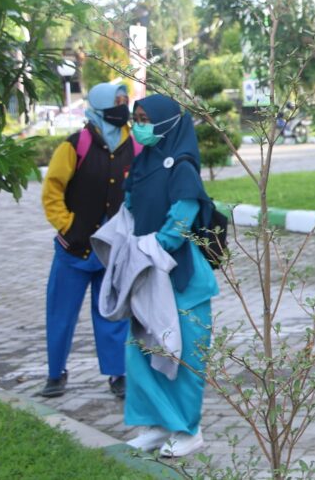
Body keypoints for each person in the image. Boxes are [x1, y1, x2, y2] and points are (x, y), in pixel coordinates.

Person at [121, 95, 219, 458]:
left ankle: (188, 429)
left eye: (146, 119)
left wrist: (156, 246)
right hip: (146, 272)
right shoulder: (143, 161)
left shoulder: (182, 165)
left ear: (167, 122)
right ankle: (157, 424)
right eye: (136, 118)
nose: (139, 126)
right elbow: (130, 206)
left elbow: (184, 213)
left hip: (180, 277)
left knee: (183, 355)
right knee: (143, 352)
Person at [40, 82, 134, 399]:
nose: (122, 106)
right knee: (61, 314)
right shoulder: (75, 145)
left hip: (113, 250)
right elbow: (52, 191)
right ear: (100, 104)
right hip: (75, 249)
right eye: (116, 101)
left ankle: (118, 374)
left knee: (111, 313)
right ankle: (55, 373)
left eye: (124, 100)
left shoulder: (134, 147)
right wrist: (67, 225)